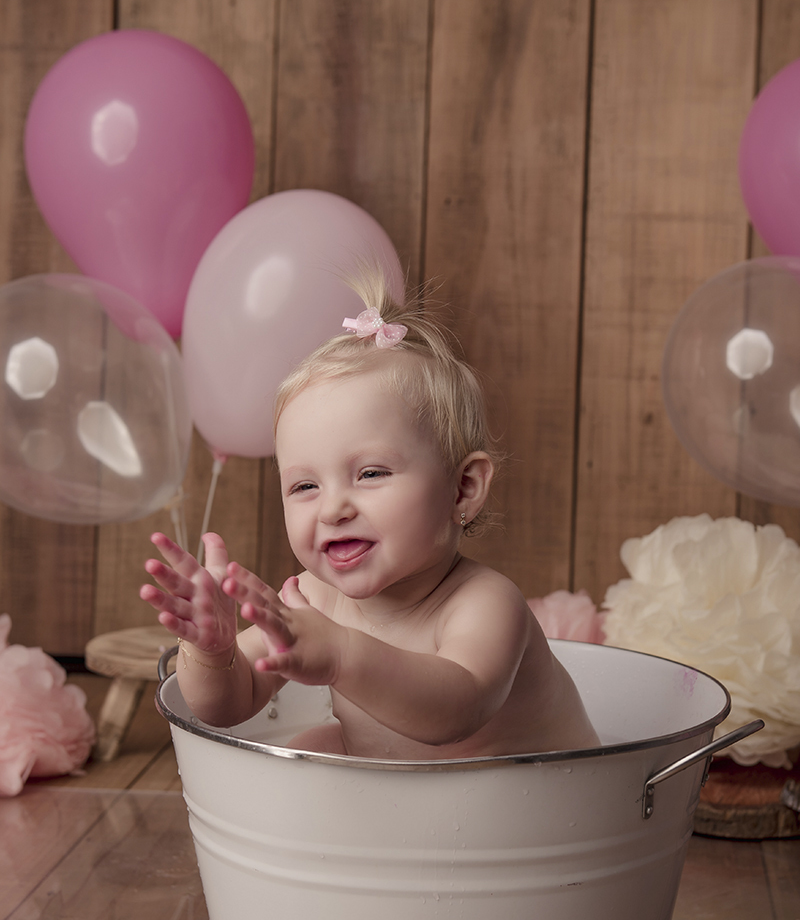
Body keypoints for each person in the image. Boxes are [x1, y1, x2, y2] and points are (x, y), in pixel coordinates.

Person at [141, 271, 598, 759]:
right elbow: (228, 706)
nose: (334, 508)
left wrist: (340, 654)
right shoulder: (315, 600)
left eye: (371, 474)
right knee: (310, 751)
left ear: (463, 489)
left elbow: (456, 709)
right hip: (410, 811)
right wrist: (213, 653)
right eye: (305, 486)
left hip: (525, 812)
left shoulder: (485, 604)